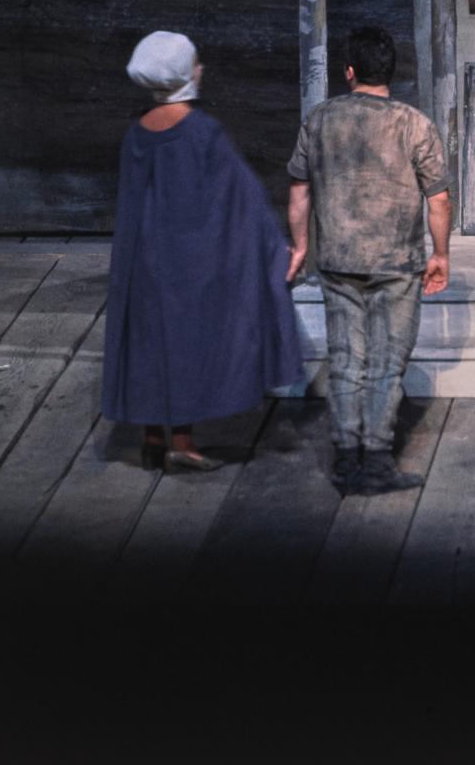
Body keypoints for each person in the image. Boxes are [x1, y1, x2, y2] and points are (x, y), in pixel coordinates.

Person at [102, 30, 304, 471]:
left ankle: (153, 437)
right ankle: (183, 441)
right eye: (194, 63)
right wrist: (276, 246)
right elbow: (242, 195)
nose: (200, 68)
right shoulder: (200, 130)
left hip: (144, 257)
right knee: (186, 341)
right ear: (182, 74)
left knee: (151, 341)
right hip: (189, 260)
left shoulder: (137, 133)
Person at [286, 25, 452, 495]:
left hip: (338, 260)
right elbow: (439, 200)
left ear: (349, 71)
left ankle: (346, 461)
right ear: (391, 72)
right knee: (385, 364)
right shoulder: (414, 124)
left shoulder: (320, 120)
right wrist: (441, 254)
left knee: (345, 361)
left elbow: (299, 192)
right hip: (397, 262)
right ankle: (377, 462)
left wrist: (300, 247)